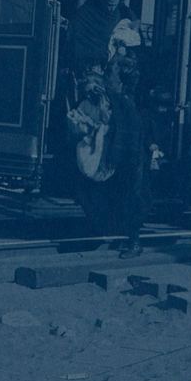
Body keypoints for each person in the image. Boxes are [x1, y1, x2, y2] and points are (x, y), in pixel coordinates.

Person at [66, 69, 147, 259]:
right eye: (85, 92)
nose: (87, 95)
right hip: (109, 157)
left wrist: (105, 131)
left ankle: (135, 243)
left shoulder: (118, 103)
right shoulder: (90, 104)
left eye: (90, 91)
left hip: (127, 156)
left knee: (130, 197)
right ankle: (113, 232)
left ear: (99, 88)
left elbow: (131, 126)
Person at [64, 0, 135, 76]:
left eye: (115, 5)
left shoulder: (118, 15)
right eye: (110, 5)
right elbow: (74, 34)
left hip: (108, 67)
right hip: (86, 66)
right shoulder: (86, 12)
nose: (112, 9)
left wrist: (122, 48)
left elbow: (117, 38)